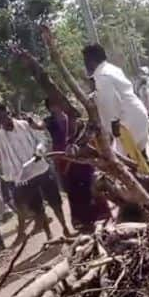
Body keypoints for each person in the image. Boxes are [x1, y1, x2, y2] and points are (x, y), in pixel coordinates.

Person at [0, 105, 72, 240]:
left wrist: (39, 151)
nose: (5, 119)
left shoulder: (25, 125)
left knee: (55, 202)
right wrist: (13, 176)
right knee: (37, 207)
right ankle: (49, 235)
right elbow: (6, 158)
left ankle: (65, 228)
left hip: (41, 168)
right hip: (25, 176)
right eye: (1, 118)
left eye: (6, 115)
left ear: (9, 113)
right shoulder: (0, 137)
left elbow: (41, 139)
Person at [82, 43, 149, 170]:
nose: (85, 65)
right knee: (142, 155)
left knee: (121, 162)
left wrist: (114, 124)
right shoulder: (111, 69)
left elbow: (110, 101)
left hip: (126, 122)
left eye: (85, 61)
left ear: (91, 61)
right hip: (136, 114)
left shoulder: (101, 77)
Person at [41, 97, 111, 231]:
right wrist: (30, 121)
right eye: (52, 105)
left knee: (89, 182)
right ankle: (83, 220)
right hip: (63, 158)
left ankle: (101, 213)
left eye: (57, 103)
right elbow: (38, 126)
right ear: (49, 108)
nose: (56, 107)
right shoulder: (48, 121)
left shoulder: (73, 117)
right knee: (73, 188)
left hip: (79, 154)